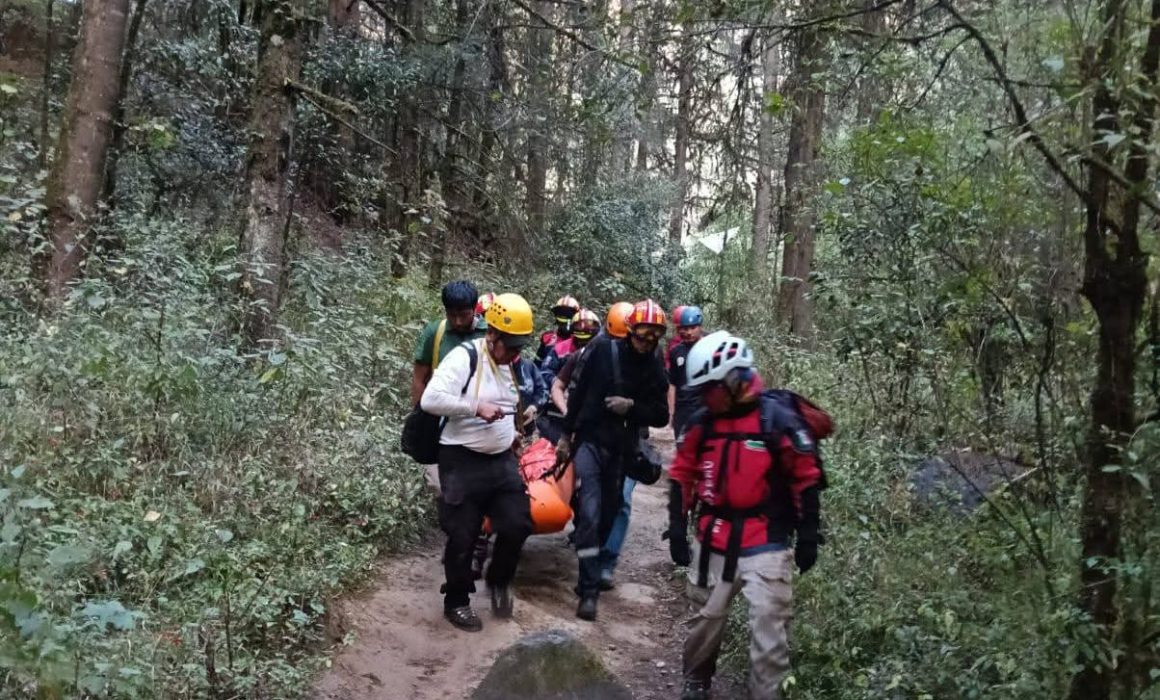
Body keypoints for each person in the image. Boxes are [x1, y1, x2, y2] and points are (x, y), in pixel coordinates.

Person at [668, 332, 826, 700]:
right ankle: (696, 680)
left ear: (733, 379)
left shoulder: (778, 420)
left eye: (710, 389)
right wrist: (676, 527)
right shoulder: (703, 424)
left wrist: (808, 534)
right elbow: (682, 474)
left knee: (769, 634)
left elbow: (806, 478)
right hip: (714, 535)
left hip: (766, 537)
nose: (704, 397)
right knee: (705, 621)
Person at [419, 293, 536, 632]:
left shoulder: (511, 365)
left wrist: (512, 436)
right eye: (509, 346)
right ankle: (457, 601)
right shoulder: (465, 358)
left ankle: (499, 581)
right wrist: (474, 407)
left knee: (517, 523)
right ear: (492, 334)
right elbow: (430, 399)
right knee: (463, 533)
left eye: (519, 347)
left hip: (500, 460)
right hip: (461, 458)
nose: (514, 353)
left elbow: (507, 406)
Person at [557, 300, 669, 621]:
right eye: (643, 334)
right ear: (630, 330)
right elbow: (578, 394)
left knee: (608, 514)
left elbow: (661, 415)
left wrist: (631, 406)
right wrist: (566, 436)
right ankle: (589, 590)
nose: (648, 341)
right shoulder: (602, 351)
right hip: (590, 442)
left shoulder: (654, 366)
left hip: (622, 450)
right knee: (590, 513)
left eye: (655, 336)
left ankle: (589, 570)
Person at [411, 280, 483, 405]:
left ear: (474, 309)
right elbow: (419, 379)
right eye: (452, 315)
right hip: (439, 408)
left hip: (479, 410)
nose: (458, 322)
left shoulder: (488, 334)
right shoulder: (435, 332)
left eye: (464, 315)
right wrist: (418, 412)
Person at [536, 308, 600, 444]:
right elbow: (545, 372)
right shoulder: (560, 349)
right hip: (559, 402)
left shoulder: (602, 350)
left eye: (587, 340)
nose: (583, 344)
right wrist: (558, 383)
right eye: (579, 340)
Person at [667, 305, 706, 439]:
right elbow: (672, 383)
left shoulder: (709, 348)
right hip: (683, 409)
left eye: (693, 328)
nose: (689, 332)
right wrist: (672, 411)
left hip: (704, 406)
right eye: (686, 328)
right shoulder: (676, 351)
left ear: (700, 327)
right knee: (682, 444)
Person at [535, 295, 581, 365]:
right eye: (561, 312)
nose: (564, 316)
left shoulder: (580, 342)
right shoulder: (547, 337)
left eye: (568, 313)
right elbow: (537, 363)